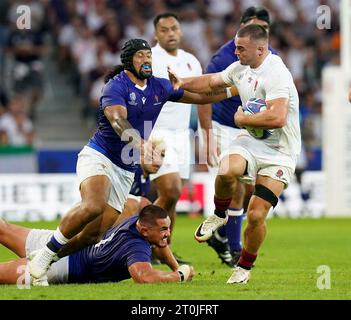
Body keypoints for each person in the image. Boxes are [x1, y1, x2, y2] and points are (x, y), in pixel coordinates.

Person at [28, 38, 237, 281]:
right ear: (129, 61)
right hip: (100, 156)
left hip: (124, 169)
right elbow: (118, 121)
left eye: (148, 55)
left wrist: (233, 89)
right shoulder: (116, 86)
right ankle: (46, 253)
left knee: (92, 236)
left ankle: (48, 259)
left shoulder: (159, 86)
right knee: (94, 204)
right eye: (140, 56)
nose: (146, 59)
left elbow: (200, 97)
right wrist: (140, 144)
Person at [168, 24, 300, 284]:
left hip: (280, 152)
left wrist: (242, 119)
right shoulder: (241, 68)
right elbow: (211, 81)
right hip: (251, 141)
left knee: (256, 215)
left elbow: (278, 117)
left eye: (241, 48)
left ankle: (244, 266)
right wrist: (182, 82)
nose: (235, 51)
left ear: (260, 49)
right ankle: (219, 214)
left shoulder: (276, 72)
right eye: (236, 46)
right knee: (227, 169)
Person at [198, 6, 276, 268]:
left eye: (263, 30)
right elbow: (204, 93)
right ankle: (233, 246)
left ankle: (222, 235)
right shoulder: (224, 57)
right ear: (241, 29)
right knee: (239, 188)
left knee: (249, 189)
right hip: (225, 127)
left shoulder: (271, 58)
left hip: (252, 128)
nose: (258, 34)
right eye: (253, 28)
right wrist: (207, 135)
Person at [0, 205, 194, 285]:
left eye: (167, 228)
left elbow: (161, 244)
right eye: (163, 229)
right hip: (61, 266)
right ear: (144, 230)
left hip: (61, 241)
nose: (168, 234)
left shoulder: (138, 220)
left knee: (4, 229)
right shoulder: (137, 246)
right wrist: (178, 275)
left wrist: (175, 265)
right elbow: (143, 277)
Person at [150, 12, 203, 254]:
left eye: (174, 28)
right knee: (169, 190)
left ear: (180, 31)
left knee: (172, 197)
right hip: (157, 132)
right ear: (156, 34)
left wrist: (207, 134)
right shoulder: (150, 59)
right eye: (164, 30)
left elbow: (203, 97)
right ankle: (143, 244)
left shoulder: (192, 61)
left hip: (183, 134)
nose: (170, 33)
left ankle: (164, 249)